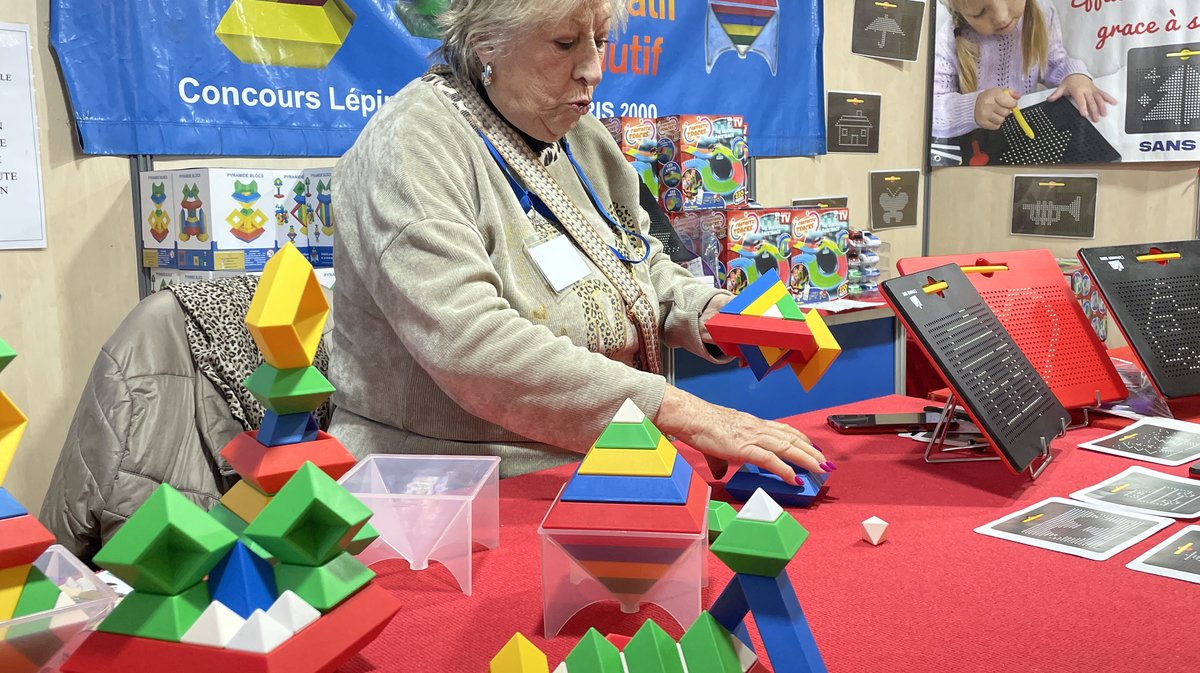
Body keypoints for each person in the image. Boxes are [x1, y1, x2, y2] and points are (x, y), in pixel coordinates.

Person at [328, 0, 830, 486]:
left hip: (593, 464)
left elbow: (639, 261)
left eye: (600, 41)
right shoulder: (410, 146)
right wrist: (680, 411)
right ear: (486, 43)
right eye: (565, 43)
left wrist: (718, 316)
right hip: (447, 490)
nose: (592, 69)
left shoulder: (581, 136)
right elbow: (471, 345)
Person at [932, 0, 1117, 138]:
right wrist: (972, 109)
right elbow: (931, 111)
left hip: (1022, 135)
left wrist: (1074, 75)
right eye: (979, 12)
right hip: (975, 148)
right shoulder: (945, 39)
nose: (1002, 18)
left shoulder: (1042, 11)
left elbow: (1054, 62)